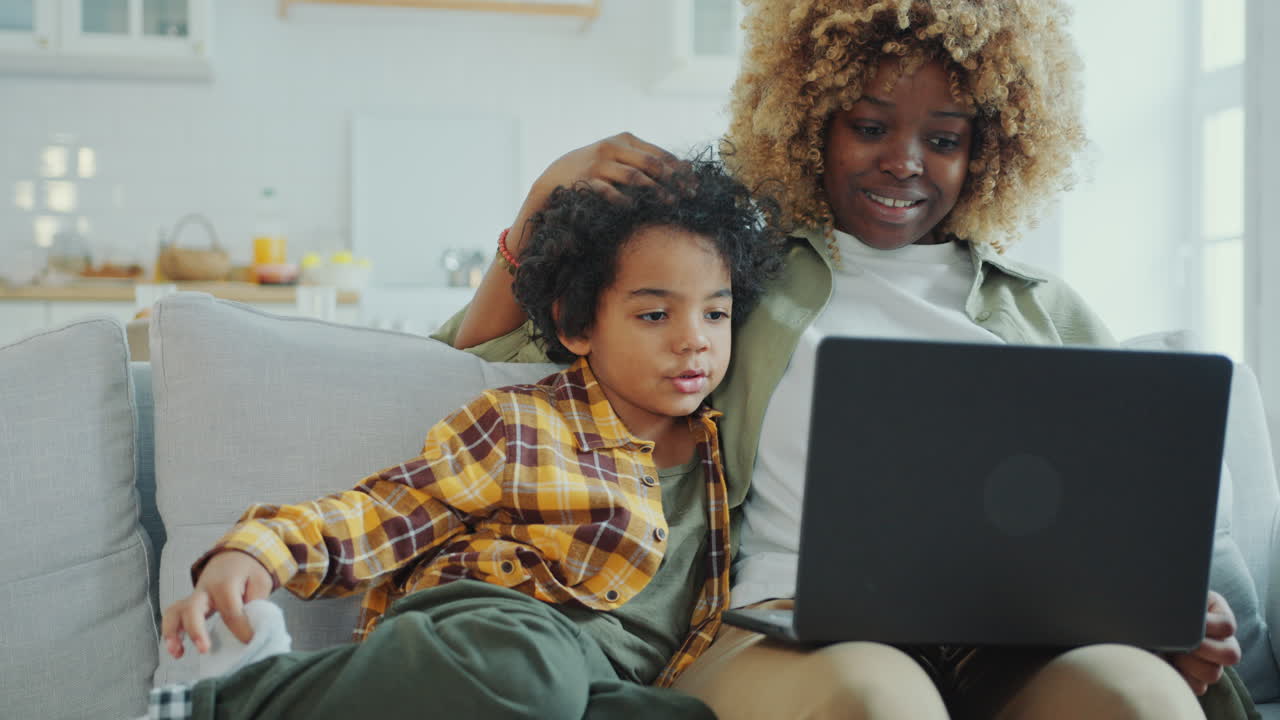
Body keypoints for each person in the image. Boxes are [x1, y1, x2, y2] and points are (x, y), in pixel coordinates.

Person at [436, 1, 1256, 718]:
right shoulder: (734, 279)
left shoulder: (1049, 310)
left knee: (1139, 700)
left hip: (1014, 639)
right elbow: (487, 354)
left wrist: (1163, 607)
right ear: (810, 119)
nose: (904, 160)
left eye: (944, 138)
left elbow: (1122, 518)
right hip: (785, 626)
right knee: (878, 701)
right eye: (869, 127)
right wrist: (542, 196)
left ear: (991, 149)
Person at [153, 156, 784, 720]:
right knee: (527, 676)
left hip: (600, 683)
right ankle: (223, 701)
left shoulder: (719, 453)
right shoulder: (526, 424)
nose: (694, 338)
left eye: (716, 312)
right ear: (576, 323)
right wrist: (263, 551)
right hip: (497, 630)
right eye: (654, 314)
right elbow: (389, 509)